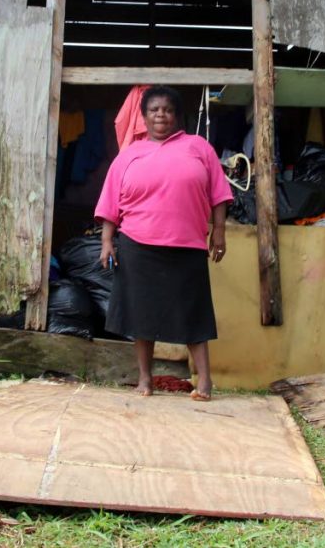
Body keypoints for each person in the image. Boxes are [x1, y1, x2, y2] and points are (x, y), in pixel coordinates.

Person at [95, 85, 233, 400]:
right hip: (137, 245)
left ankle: (205, 383)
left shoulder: (198, 147)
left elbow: (219, 194)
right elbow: (109, 204)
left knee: (193, 314)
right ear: (144, 116)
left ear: (177, 115)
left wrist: (220, 231)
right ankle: (145, 380)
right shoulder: (129, 154)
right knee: (141, 316)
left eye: (167, 110)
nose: (161, 115)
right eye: (154, 110)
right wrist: (107, 241)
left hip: (187, 246)